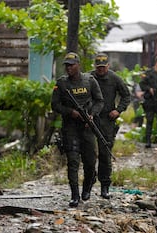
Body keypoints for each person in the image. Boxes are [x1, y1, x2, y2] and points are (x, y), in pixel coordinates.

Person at [51, 52, 104, 207]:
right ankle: (75, 195)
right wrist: (70, 112)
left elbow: (99, 101)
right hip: (70, 128)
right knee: (73, 161)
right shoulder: (61, 84)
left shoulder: (90, 80)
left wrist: (92, 115)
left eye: (71, 65)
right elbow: (55, 105)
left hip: (87, 128)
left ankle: (87, 187)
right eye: (66, 65)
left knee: (89, 162)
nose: (68, 68)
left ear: (78, 65)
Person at [90, 53, 131, 199]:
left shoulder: (114, 79)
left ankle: (105, 186)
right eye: (98, 67)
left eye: (103, 67)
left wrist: (118, 110)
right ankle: (88, 185)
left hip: (107, 119)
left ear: (108, 66)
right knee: (88, 154)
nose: (100, 70)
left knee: (105, 154)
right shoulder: (88, 78)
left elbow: (126, 95)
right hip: (90, 119)